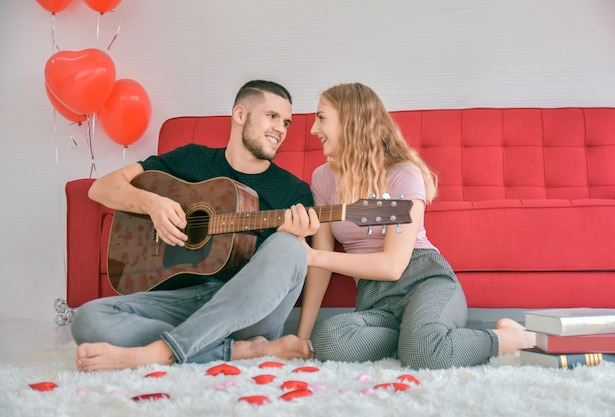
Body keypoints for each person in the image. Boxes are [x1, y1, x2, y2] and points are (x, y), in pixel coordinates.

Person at [71, 80, 320, 371]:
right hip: (183, 304)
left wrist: (295, 242)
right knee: (87, 319)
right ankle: (239, 353)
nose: (281, 128)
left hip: (247, 313)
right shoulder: (192, 159)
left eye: (287, 122)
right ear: (240, 115)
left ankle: (160, 353)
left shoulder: (293, 192)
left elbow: (293, 269)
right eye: (272, 116)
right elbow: (101, 188)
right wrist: (153, 204)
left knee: (290, 248)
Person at [297, 82, 536, 370]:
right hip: (375, 300)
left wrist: (311, 255)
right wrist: (302, 337)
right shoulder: (322, 178)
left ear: (350, 120)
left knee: (424, 353)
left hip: (424, 279)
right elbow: (319, 268)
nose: (313, 129)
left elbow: (393, 265)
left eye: (321, 117)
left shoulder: (403, 174)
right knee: (329, 338)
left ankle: (510, 337)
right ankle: (419, 338)